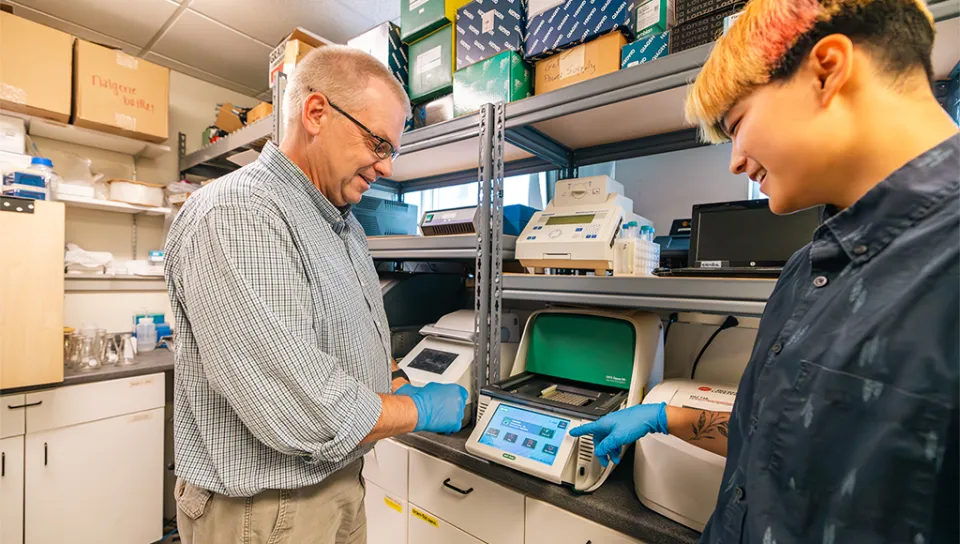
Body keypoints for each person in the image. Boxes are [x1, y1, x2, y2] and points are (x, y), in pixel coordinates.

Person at [571, 0, 959, 541]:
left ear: (827, 70)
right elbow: (789, 432)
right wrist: (666, 418)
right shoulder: (809, 268)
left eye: (738, 124)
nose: (734, 161)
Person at [164, 45, 468, 544]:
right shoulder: (239, 213)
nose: (387, 167)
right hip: (262, 511)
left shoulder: (341, 226)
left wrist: (396, 379)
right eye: (378, 143)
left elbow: (353, 334)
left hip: (336, 488)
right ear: (316, 113)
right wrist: (418, 409)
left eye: (391, 150)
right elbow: (300, 405)